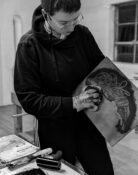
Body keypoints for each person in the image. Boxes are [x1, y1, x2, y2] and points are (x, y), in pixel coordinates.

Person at [14, 0, 114, 174]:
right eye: (63, 23)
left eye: (76, 19)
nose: (71, 28)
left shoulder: (83, 34)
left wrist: (130, 112)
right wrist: (74, 103)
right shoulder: (29, 45)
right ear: (46, 15)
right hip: (54, 129)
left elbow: (103, 72)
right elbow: (29, 100)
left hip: (90, 123)